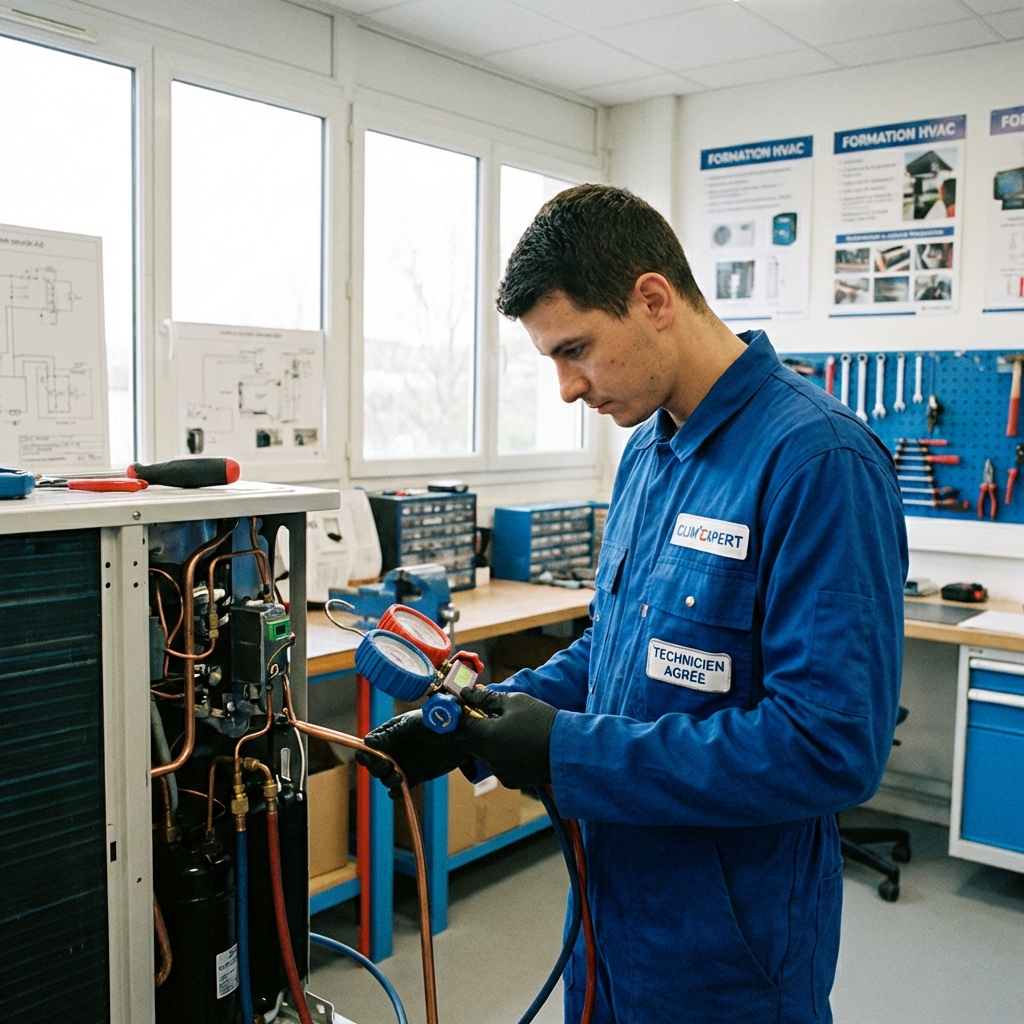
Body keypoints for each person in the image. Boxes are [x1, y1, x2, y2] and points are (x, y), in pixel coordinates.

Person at [357, 184, 908, 1023]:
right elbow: (615, 650)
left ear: (653, 300)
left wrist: (569, 755)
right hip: (610, 916)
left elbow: (829, 745)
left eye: (576, 350)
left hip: (730, 948)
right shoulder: (648, 452)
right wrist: (486, 715)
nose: (569, 389)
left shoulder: (817, 462)